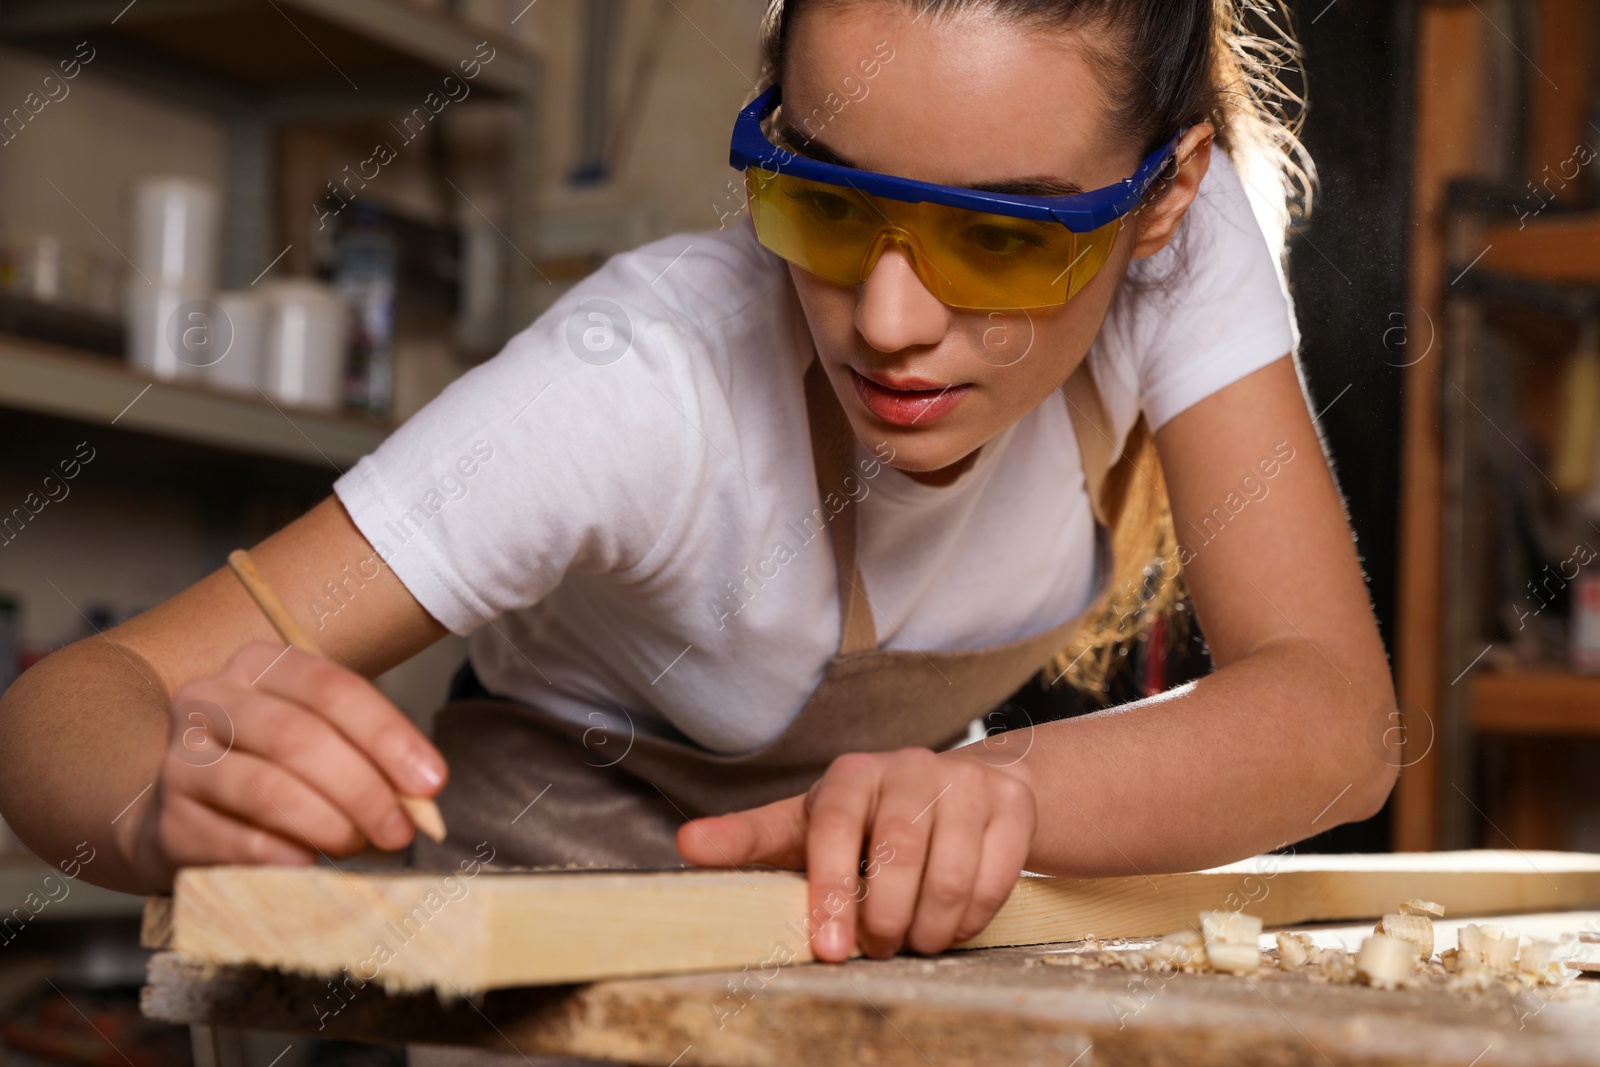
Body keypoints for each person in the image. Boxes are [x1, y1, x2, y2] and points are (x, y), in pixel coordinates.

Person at [0, 0, 1396, 966]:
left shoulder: (1180, 243)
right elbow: (69, 706)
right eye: (830, 201)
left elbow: (1336, 719)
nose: (892, 316)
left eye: (998, 237)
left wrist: (1002, 795)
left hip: (871, 898)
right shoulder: (632, 385)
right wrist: (157, 806)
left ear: (1164, 195)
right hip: (551, 889)